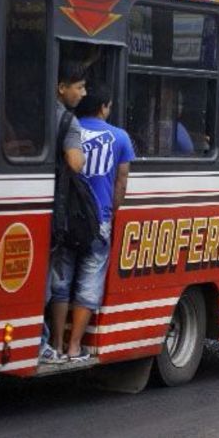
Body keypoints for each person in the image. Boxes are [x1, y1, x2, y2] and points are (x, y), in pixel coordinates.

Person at [48, 82, 135, 362]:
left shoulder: (66, 127)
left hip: (65, 218)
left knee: (61, 282)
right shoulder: (120, 137)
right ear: (103, 108)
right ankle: (75, 348)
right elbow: (121, 181)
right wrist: (111, 210)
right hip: (99, 220)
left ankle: (55, 344)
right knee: (89, 284)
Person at [40, 62, 87, 364]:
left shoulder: (33, 110)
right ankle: (43, 341)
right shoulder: (68, 121)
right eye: (79, 87)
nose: (84, 93)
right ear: (61, 88)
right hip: (53, 208)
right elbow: (75, 163)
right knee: (47, 281)